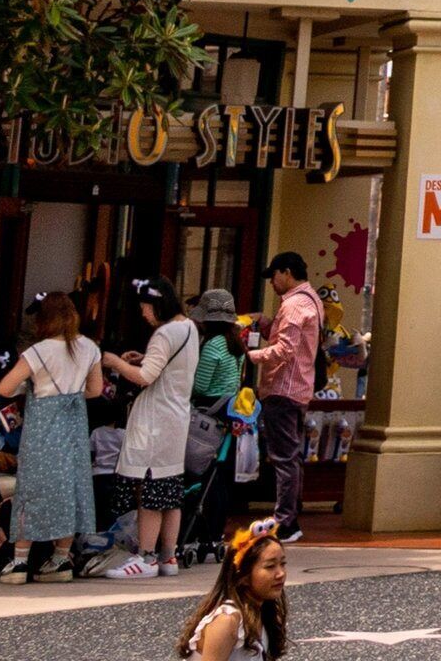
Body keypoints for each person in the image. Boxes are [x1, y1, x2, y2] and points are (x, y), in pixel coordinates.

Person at [1, 289, 109, 580]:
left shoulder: (39, 351)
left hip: (42, 426)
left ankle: (20, 561)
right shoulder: (89, 348)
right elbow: (96, 390)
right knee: (69, 487)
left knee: (32, 488)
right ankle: (61, 558)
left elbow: (4, 387)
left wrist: (31, 389)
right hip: (73, 424)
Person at [104, 275, 203, 577]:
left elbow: (145, 377)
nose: (143, 313)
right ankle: (168, 557)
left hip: (156, 421)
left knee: (149, 490)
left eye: (146, 307)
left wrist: (116, 363)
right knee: (170, 491)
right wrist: (145, 358)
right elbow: (169, 367)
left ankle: (145, 557)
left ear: (157, 304)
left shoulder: (164, 333)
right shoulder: (188, 327)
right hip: (176, 418)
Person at [245, 253, 326, 534]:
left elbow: (284, 350)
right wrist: (266, 322)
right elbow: (293, 341)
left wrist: (249, 355)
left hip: (283, 389)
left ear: (287, 272)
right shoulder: (312, 299)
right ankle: (291, 516)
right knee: (291, 457)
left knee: (283, 458)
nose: (271, 283)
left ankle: (286, 522)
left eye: (273, 276)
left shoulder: (293, 305)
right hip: (299, 389)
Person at [184, 292, 248, 566]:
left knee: (196, 474)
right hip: (227, 416)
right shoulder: (236, 346)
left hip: (204, 416)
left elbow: (199, 385)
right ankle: (214, 532)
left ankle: (193, 531)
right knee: (218, 479)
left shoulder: (211, 346)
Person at [176, 522, 287, 660]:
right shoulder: (227, 622)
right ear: (243, 577)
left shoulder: (262, 615)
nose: (280, 573)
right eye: (270, 566)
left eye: (282, 564)